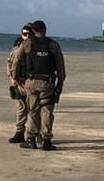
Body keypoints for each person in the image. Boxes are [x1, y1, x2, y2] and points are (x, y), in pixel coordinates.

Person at [8, 20, 66, 150]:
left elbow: (16, 60)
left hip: (31, 83)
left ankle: (31, 139)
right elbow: (60, 65)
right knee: (47, 111)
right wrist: (60, 82)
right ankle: (46, 140)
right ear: (45, 30)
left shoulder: (27, 43)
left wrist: (14, 77)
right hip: (48, 83)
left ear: (33, 31)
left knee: (33, 110)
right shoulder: (53, 44)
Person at [6, 24, 31, 144]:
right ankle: (19, 132)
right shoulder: (18, 45)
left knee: (35, 110)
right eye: (24, 33)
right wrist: (12, 78)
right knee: (21, 108)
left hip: (32, 82)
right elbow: (10, 63)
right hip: (19, 82)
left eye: (29, 34)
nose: (27, 36)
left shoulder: (36, 45)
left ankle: (34, 134)